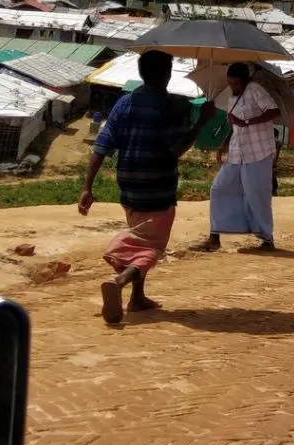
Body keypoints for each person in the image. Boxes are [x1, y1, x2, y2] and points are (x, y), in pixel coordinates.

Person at [80, 51, 208, 325]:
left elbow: (102, 145)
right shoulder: (167, 105)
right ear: (167, 74)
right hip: (158, 186)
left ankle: (138, 298)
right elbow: (177, 149)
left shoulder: (124, 102)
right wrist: (201, 123)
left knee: (141, 235)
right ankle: (120, 280)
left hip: (128, 184)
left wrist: (87, 187)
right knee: (152, 245)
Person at [197, 62, 280, 252]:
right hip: (237, 151)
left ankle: (267, 239)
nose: (233, 87)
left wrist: (247, 122)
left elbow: (274, 111)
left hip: (258, 151)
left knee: (257, 194)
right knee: (219, 188)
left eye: (236, 83)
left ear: (245, 80)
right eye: (230, 83)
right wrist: (225, 143)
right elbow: (235, 124)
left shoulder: (255, 90)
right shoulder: (231, 97)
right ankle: (214, 237)